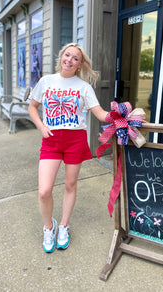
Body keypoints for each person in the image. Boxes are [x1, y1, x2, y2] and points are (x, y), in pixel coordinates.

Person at [28, 43, 108, 253]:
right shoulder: (46, 81)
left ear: (80, 64)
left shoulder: (83, 87)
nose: (70, 60)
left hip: (75, 140)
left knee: (70, 185)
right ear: (61, 57)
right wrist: (41, 125)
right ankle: (49, 227)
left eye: (75, 58)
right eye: (67, 55)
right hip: (52, 140)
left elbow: (100, 113)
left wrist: (121, 117)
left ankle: (63, 225)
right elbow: (32, 107)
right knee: (44, 191)